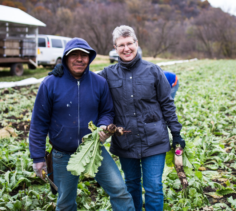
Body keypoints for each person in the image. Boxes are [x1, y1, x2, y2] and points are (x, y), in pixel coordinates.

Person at [50, 26, 186, 211]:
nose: (126, 48)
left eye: (130, 43)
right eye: (121, 45)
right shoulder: (107, 74)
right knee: (131, 186)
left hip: (154, 140)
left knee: (154, 188)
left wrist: (176, 133)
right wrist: (64, 70)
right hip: (126, 142)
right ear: (115, 47)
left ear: (136, 44)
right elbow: (85, 79)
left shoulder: (153, 71)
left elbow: (167, 104)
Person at [29, 37, 135, 211]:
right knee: (65, 203)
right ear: (65, 58)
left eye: (84, 55)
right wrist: (37, 157)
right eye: (74, 55)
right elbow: (38, 123)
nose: (79, 59)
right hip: (63, 154)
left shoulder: (99, 83)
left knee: (119, 190)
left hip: (94, 150)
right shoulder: (50, 84)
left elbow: (107, 111)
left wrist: (103, 125)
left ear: (90, 58)